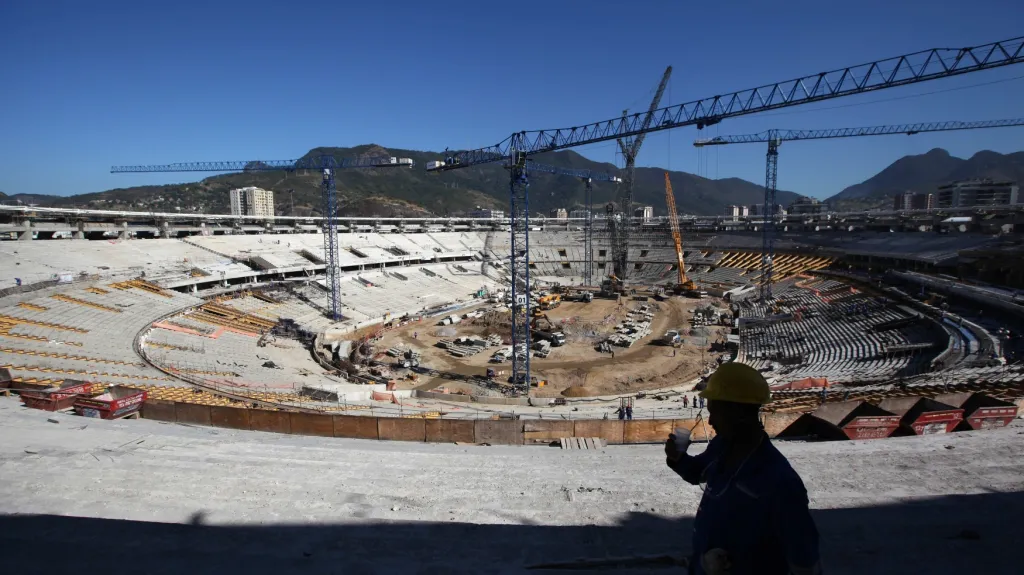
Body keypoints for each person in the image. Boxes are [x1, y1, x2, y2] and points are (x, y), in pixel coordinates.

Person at [664, 363, 821, 575]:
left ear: (738, 412)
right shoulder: (721, 446)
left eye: (715, 413)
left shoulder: (779, 481)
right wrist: (678, 459)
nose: (711, 421)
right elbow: (697, 473)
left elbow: (804, 559)